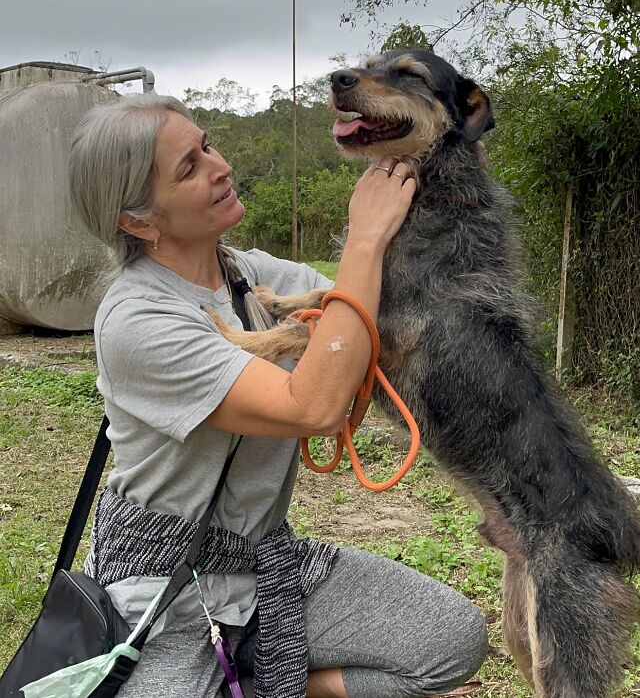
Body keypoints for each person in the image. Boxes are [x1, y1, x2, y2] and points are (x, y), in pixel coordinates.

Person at [67, 93, 488, 698]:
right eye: (189, 167)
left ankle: (261, 680)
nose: (220, 166)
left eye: (207, 145)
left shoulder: (253, 276)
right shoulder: (137, 320)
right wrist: (364, 240)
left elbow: (377, 318)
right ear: (138, 221)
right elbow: (311, 407)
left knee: (449, 639)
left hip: (264, 564)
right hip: (167, 590)